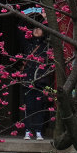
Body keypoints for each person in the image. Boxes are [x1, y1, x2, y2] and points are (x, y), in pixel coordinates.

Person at [20, 12, 51, 140]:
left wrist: (45, 19)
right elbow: (20, 32)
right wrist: (25, 16)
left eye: (40, 28)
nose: (37, 30)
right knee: (28, 106)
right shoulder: (28, 45)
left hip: (40, 81)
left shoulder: (46, 46)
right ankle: (28, 130)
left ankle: (38, 130)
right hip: (28, 80)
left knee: (39, 107)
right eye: (35, 28)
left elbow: (52, 32)